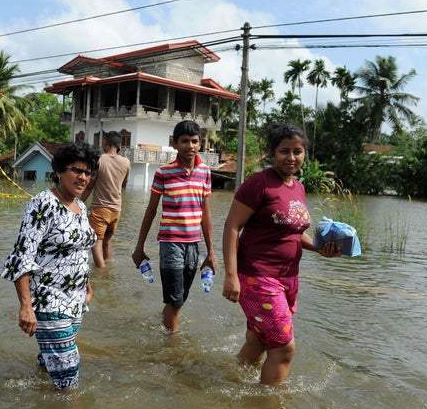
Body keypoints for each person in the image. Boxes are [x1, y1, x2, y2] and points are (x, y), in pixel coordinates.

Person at [221, 122, 341, 386]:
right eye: (284, 151)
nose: (291, 157)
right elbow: (232, 226)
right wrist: (231, 275)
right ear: (272, 154)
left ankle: (226, 382)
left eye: (297, 151)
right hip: (258, 278)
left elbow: (294, 233)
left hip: (288, 279)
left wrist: (321, 248)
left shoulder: (297, 187)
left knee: (259, 342)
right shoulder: (259, 183)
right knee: (284, 348)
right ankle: (265, 402)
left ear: (304, 153)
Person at [2, 142, 100, 391]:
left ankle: (37, 394)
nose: (83, 177)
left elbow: (77, 250)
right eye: (76, 170)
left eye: (88, 172)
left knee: (50, 366)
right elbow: (21, 257)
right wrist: (26, 306)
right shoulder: (43, 205)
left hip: (76, 300)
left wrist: (87, 288)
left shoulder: (81, 207)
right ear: (58, 171)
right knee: (69, 377)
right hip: (48, 302)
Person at [132, 120, 217, 333]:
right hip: (170, 244)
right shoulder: (164, 172)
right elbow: (151, 211)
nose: (190, 146)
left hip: (193, 244)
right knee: (175, 297)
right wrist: (139, 247)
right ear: (175, 144)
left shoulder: (205, 172)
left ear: (201, 144)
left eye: (195, 141)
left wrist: (211, 252)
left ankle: (165, 323)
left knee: (181, 296)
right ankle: (172, 342)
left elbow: (206, 214)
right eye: (185, 141)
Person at [80, 131, 131, 268]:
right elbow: (124, 184)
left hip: (100, 209)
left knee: (96, 242)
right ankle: (107, 264)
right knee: (107, 241)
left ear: (105, 143)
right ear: (119, 145)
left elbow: (90, 186)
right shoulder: (126, 162)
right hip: (116, 210)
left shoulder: (100, 160)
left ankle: (102, 272)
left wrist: (77, 203)